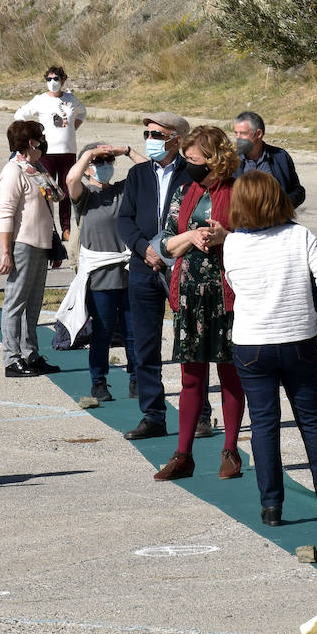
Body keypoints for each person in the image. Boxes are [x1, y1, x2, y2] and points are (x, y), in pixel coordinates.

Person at [224, 171, 317, 526]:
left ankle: (272, 507)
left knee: (264, 425)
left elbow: (235, 282)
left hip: (252, 342)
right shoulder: (299, 235)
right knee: (312, 419)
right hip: (297, 337)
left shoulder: (232, 243)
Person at [153, 125, 247, 482]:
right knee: (191, 376)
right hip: (190, 293)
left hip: (227, 294)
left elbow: (258, 236)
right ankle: (183, 454)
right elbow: (164, 243)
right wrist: (191, 236)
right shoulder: (184, 190)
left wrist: (227, 235)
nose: (187, 164)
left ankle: (231, 451)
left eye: (193, 159)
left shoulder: (239, 192)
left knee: (230, 374)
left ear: (214, 159)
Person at [116, 111, 192, 440]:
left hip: (183, 267)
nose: (150, 140)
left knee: (191, 344)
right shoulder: (137, 175)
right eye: (146, 133)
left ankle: (199, 415)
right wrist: (143, 248)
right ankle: (153, 415)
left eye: (157, 135)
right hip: (144, 269)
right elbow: (124, 219)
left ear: (176, 139)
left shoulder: (192, 174)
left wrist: (176, 250)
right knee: (146, 346)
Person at [67, 140, 147, 401]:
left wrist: (125, 151)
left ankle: (136, 378)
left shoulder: (123, 191)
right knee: (101, 331)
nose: (105, 166)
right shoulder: (85, 196)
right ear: (88, 167)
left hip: (127, 271)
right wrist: (90, 154)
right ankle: (98, 381)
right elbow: (70, 180)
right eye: (98, 163)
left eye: (108, 161)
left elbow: (151, 172)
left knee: (133, 330)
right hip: (99, 276)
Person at [0, 119, 64, 376]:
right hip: (23, 244)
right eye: (40, 139)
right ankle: (11, 358)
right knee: (15, 302)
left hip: (41, 243)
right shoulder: (13, 171)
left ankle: (30, 353)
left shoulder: (36, 169)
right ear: (30, 142)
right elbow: (6, 214)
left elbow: (52, 201)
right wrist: (6, 252)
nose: (43, 143)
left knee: (33, 303)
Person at [14, 65, 86, 239]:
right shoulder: (40, 100)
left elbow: (82, 113)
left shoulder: (70, 99)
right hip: (47, 153)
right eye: (49, 79)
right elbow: (20, 115)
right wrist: (34, 135)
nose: (52, 82)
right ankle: (48, 228)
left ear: (63, 80)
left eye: (56, 79)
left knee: (66, 191)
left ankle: (66, 228)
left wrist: (72, 129)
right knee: (46, 190)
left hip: (68, 152)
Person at [233, 111, 305, 207]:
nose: (238, 138)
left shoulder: (280, 157)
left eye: (243, 134)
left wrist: (283, 205)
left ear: (258, 134)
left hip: (278, 220)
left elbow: (297, 190)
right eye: (236, 133)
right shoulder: (231, 161)